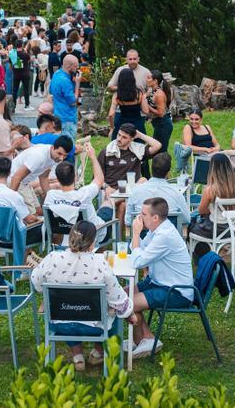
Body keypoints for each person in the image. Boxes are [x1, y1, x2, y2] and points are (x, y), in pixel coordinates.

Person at [30, 220, 133, 371]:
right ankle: (98, 352)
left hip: (60, 324)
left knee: (69, 310)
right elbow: (118, 299)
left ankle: (77, 356)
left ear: (70, 237)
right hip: (94, 326)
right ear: (93, 242)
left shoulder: (52, 258)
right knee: (116, 309)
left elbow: (36, 282)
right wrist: (130, 313)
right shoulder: (100, 264)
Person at [128, 198, 194, 358]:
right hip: (158, 282)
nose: (139, 217)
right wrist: (136, 237)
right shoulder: (157, 230)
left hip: (176, 291)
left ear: (155, 217)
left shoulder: (165, 235)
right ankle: (143, 340)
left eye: (143, 214)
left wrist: (135, 233)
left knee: (126, 303)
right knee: (120, 296)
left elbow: (138, 261)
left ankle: (145, 340)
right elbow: (140, 250)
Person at [43, 148, 115, 242]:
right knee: (107, 203)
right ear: (75, 177)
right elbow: (99, 179)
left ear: (57, 178)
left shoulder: (51, 195)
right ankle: (97, 250)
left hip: (66, 235)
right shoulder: (84, 194)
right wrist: (93, 157)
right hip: (92, 236)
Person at [0, 156, 42, 245]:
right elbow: (29, 219)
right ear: (9, 173)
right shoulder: (13, 195)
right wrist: (39, 219)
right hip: (7, 236)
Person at [9, 136, 73, 214]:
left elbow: (44, 177)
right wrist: (10, 201)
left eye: (65, 155)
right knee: (32, 217)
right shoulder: (38, 156)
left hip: (25, 182)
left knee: (39, 212)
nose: (61, 158)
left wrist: (51, 198)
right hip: (13, 180)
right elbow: (16, 177)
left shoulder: (54, 156)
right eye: (59, 154)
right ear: (53, 147)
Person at [190, 152, 235, 242]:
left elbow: (201, 211)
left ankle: (204, 251)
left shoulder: (210, 190)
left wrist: (213, 210)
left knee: (191, 223)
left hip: (216, 230)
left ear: (212, 169)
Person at [125, 152, 188, 229]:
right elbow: (186, 219)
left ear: (151, 170)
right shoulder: (177, 193)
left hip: (142, 236)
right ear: (168, 173)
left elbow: (128, 221)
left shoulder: (135, 191)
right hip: (167, 236)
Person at [100, 123, 163, 190]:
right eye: (119, 135)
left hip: (131, 191)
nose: (119, 139)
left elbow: (157, 145)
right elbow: (97, 177)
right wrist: (106, 187)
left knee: (143, 180)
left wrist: (140, 135)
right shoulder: (107, 152)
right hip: (111, 190)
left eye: (124, 137)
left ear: (131, 139)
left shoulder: (137, 151)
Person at [108, 67, 148, 136]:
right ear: (133, 79)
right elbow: (146, 111)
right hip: (137, 125)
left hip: (122, 125)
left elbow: (111, 114)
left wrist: (112, 127)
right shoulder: (140, 93)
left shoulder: (117, 95)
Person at [51, 54, 80, 138]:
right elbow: (74, 102)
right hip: (67, 118)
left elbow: (50, 91)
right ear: (68, 67)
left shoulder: (56, 74)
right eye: (75, 66)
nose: (77, 69)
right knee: (69, 143)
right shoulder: (65, 81)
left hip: (58, 114)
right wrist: (77, 84)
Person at [146, 70, 173, 153]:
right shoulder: (152, 91)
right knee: (157, 150)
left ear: (155, 81)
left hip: (163, 124)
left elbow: (161, 113)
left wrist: (147, 106)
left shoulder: (159, 94)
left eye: (148, 78)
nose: (146, 80)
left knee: (160, 151)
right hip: (158, 123)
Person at [13, 39, 34, 109]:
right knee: (26, 89)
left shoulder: (13, 54)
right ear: (22, 45)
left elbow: (11, 65)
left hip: (16, 74)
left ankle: (13, 105)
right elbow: (29, 60)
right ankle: (27, 105)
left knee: (15, 89)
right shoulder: (25, 54)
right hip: (25, 73)